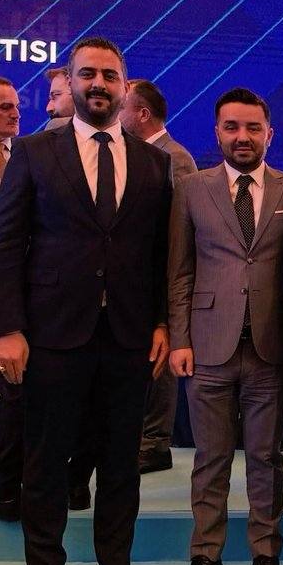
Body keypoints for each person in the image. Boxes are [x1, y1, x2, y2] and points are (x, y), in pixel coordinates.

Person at [0, 37, 172, 565]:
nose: (99, 83)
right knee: (46, 460)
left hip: (127, 336)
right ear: (70, 82)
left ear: (125, 86)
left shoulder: (154, 163)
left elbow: (159, 253)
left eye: (110, 75)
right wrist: (9, 327)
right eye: (88, 74)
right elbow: (7, 245)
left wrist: (161, 321)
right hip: (51, 334)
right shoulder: (33, 152)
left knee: (121, 460)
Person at [167, 87, 283, 565]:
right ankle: (206, 558)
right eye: (232, 127)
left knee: (266, 458)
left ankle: (265, 556)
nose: (242, 137)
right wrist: (180, 338)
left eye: (252, 128)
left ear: (270, 134)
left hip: (271, 347)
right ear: (217, 132)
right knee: (210, 459)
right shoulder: (191, 189)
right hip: (207, 346)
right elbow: (179, 271)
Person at [120, 78, 199, 474]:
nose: (117, 114)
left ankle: (155, 444)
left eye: (123, 107)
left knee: (161, 358)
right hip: (140, 277)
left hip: (167, 276)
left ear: (142, 114)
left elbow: (178, 228)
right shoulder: (139, 154)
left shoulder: (174, 157)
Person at [0, 76, 22, 523]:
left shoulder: (22, 157)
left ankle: (6, 491)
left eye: (16, 106)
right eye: (3, 107)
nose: (14, 113)